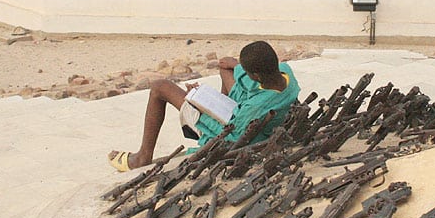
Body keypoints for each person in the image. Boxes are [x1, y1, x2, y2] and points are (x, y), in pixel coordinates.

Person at [108, 41, 300, 171]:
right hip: (253, 110)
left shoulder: (256, 107)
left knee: (160, 87)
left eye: (247, 71)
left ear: (256, 76)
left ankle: (142, 157)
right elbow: (240, 72)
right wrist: (236, 65)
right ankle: (215, 101)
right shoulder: (285, 71)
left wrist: (196, 101)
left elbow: (231, 135)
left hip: (240, 126)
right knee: (225, 66)